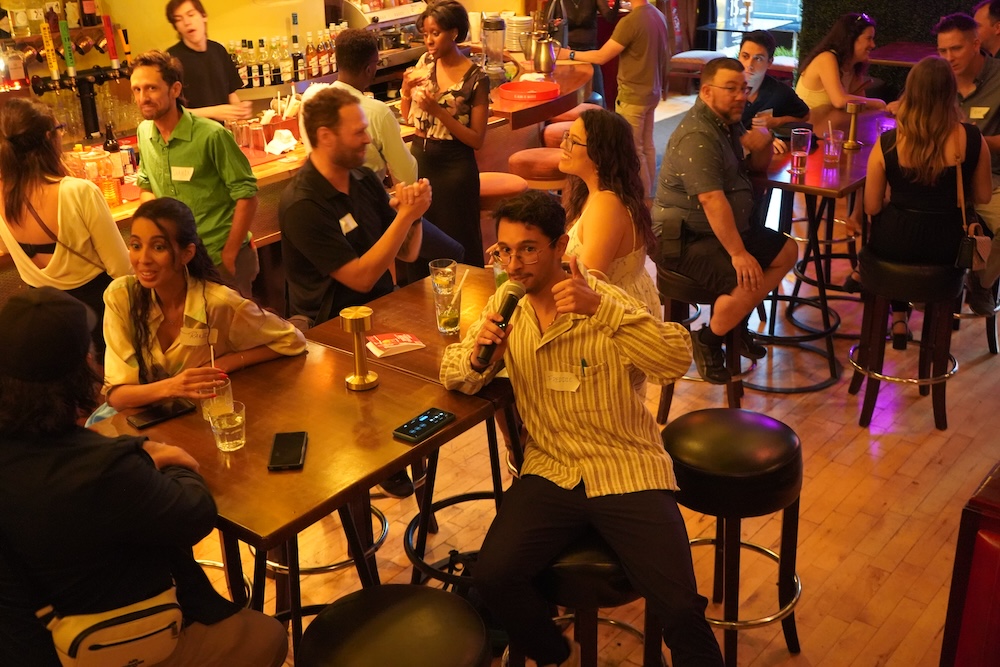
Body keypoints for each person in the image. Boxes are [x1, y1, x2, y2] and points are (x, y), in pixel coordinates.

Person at [440, 190, 724, 667]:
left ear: (560, 246)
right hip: (552, 469)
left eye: (528, 249)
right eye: (505, 250)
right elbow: (452, 372)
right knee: (493, 577)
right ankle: (556, 654)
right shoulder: (507, 304)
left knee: (679, 608)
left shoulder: (602, 298)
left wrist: (601, 312)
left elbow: (675, 359)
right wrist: (478, 358)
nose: (514, 264)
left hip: (627, 467)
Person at [0, 287, 288, 667]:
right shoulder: (101, 467)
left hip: (30, 642)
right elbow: (196, 514)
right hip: (114, 647)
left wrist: (132, 454)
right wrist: (166, 458)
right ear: (81, 368)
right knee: (267, 636)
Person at [280, 86, 428, 499]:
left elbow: (407, 252)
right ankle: (366, 468)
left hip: (381, 309)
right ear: (326, 136)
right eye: (358, 132)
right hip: (330, 331)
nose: (368, 138)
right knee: (367, 419)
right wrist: (405, 217)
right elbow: (360, 278)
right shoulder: (303, 203)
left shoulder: (363, 179)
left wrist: (414, 214)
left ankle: (404, 452)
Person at [652, 57, 798, 385]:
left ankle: (734, 322)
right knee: (748, 277)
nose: (740, 96)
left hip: (716, 231)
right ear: (706, 92)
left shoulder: (727, 121)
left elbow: (756, 167)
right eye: (731, 89)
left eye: (743, 89)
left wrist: (762, 143)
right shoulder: (698, 135)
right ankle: (709, 339)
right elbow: (711, 200)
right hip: (683, 238)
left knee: (787, 251)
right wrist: (738, 253)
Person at [102, 197, 305, 411]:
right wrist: (174, 386)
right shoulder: (122, 296)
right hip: (136, 418)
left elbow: (292, 340)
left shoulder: (217, 302)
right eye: (136, 246)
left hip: (196, 417)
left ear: (187, 254)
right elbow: (117, 397)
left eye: (158, 247)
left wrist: (223, 365)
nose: (143, 259)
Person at [863, 57, 993, 340]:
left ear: (910, 92)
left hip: (895, 243)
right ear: (950, 92)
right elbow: (984, 195)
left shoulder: (888, 142)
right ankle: (935, 339)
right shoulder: (972, 138)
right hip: (948, 247)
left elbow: (871, 206)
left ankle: (898, 318)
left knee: (892, 234)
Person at [0, 97, 130, 357]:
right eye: (60, 129)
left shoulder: (3, 194)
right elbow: (122, 269)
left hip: (45, 318)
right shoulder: (78, 192)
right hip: (97, 313)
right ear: (50, 137)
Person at [132, 49, 260, 299]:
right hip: (178, 260)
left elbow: (247, 196)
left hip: (219, 256)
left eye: (151, 88)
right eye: (136, 89)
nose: (142, 97)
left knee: (235, 323)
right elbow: (146, 186)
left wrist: (230, 253)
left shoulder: (211, 135)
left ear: (175, 89)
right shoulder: (144, 133)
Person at [401, 0, 489, 267]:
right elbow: (409, 117)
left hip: (454, 168)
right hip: (420, 160)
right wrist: (405, 90)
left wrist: (439, 112)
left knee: (458, 240)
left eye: (435, 33)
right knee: (421, 240)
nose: (429, 40)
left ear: (454, 33)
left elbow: (476, 139)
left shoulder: (476, 78)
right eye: (425, 33)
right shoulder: (425, 63)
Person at [556, 0, 670, 198]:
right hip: (652, 91)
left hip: (633, 95)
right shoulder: (658, 15)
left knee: (634, 151)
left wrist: (569, 54)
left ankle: (643, 200)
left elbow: (601, 57)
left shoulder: (631, 22)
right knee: (647, 146)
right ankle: (649, 197)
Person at [560, 107, 659, 319]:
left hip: (617, 318)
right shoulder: (591, 193)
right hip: (612, 306)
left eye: (573, 141)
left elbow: (586, 284)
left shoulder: (607, 206)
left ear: (599, 154)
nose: (563, 145)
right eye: (566, 136)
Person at [934, 13, 1000, 311]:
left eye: (956, 49)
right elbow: (907, 110)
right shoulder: (936, 76)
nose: (949, 57)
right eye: (942, 50)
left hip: (991, 178)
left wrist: (974, 143)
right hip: (938, 178)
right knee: (897, 209)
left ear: (976, 44)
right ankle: (923, 289)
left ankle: (981, 282)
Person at [300, 28, 417, 185]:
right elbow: (407, 176)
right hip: (366, 196)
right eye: (377, 63)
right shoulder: (378, 112)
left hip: (324, 195)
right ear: (369, 69)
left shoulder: (314, 102)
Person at [164, 0, 253, 122]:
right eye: (179, 19)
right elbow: (171, 112)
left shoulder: (218, 50)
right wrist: (214, 112)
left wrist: (240, 111)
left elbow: (231, 94)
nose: (187, 22)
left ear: (204, 16)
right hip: (192, 132)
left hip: (223, 131)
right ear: (176, 27)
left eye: (191, 15)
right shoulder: (171, 60)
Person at [795, 12, 887, 110]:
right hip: (808, 119)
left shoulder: (853, 67)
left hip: (829, 119)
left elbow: (860, 107)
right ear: (851, 39)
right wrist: (879, 103)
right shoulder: (826, 58)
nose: (873, 45)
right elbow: (839, 101)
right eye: (869, 38)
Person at [738, 30, 810, 131]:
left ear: (769, 62)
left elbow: (805, 115)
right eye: (745, 56)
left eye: (758, 59)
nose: (749, 65)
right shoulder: (725, 87)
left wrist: (778, 121)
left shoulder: (780, 92)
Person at [557, 0, 621, 104]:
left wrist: (617, 2)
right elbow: (547, 23)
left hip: (590, 54)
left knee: (597, 94)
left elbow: (610, 18)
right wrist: (555, 24)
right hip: (566, 55)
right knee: (569, 99)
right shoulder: (558, 1)